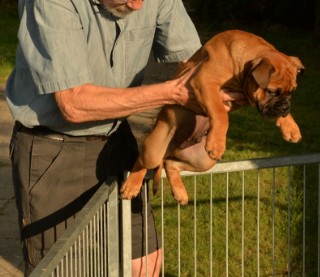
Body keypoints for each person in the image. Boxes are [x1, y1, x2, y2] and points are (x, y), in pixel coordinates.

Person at [6, 0, 245, 275]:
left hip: (117, 138)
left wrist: (237, 87)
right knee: (68, 269)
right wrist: (173, 92)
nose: (137, 4)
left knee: (145, 265)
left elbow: (197, 63)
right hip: (54, 152)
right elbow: (73, 103)